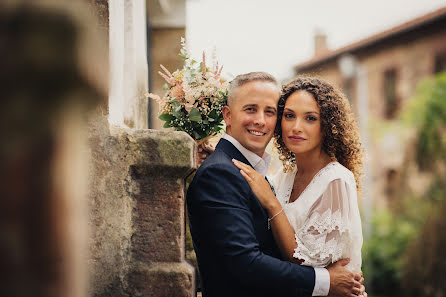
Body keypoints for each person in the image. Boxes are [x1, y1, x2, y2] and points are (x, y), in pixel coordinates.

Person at [186, 72, 365, 297]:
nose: (260, 120)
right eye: (251, 109)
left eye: (269, 112)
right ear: (228, 116)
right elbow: (245, 262)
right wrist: (326, 280)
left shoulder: (333, 179)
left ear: (328, 125)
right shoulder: (230, 173)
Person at [232, 76, 364, 287]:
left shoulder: (336, 180)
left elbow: (303, 262)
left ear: (328, 126)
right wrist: (216, 155)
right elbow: (254, 185)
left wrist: (272, 202)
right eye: (289, 116)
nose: (296, 127)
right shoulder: (286, 175)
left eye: (310, 118)